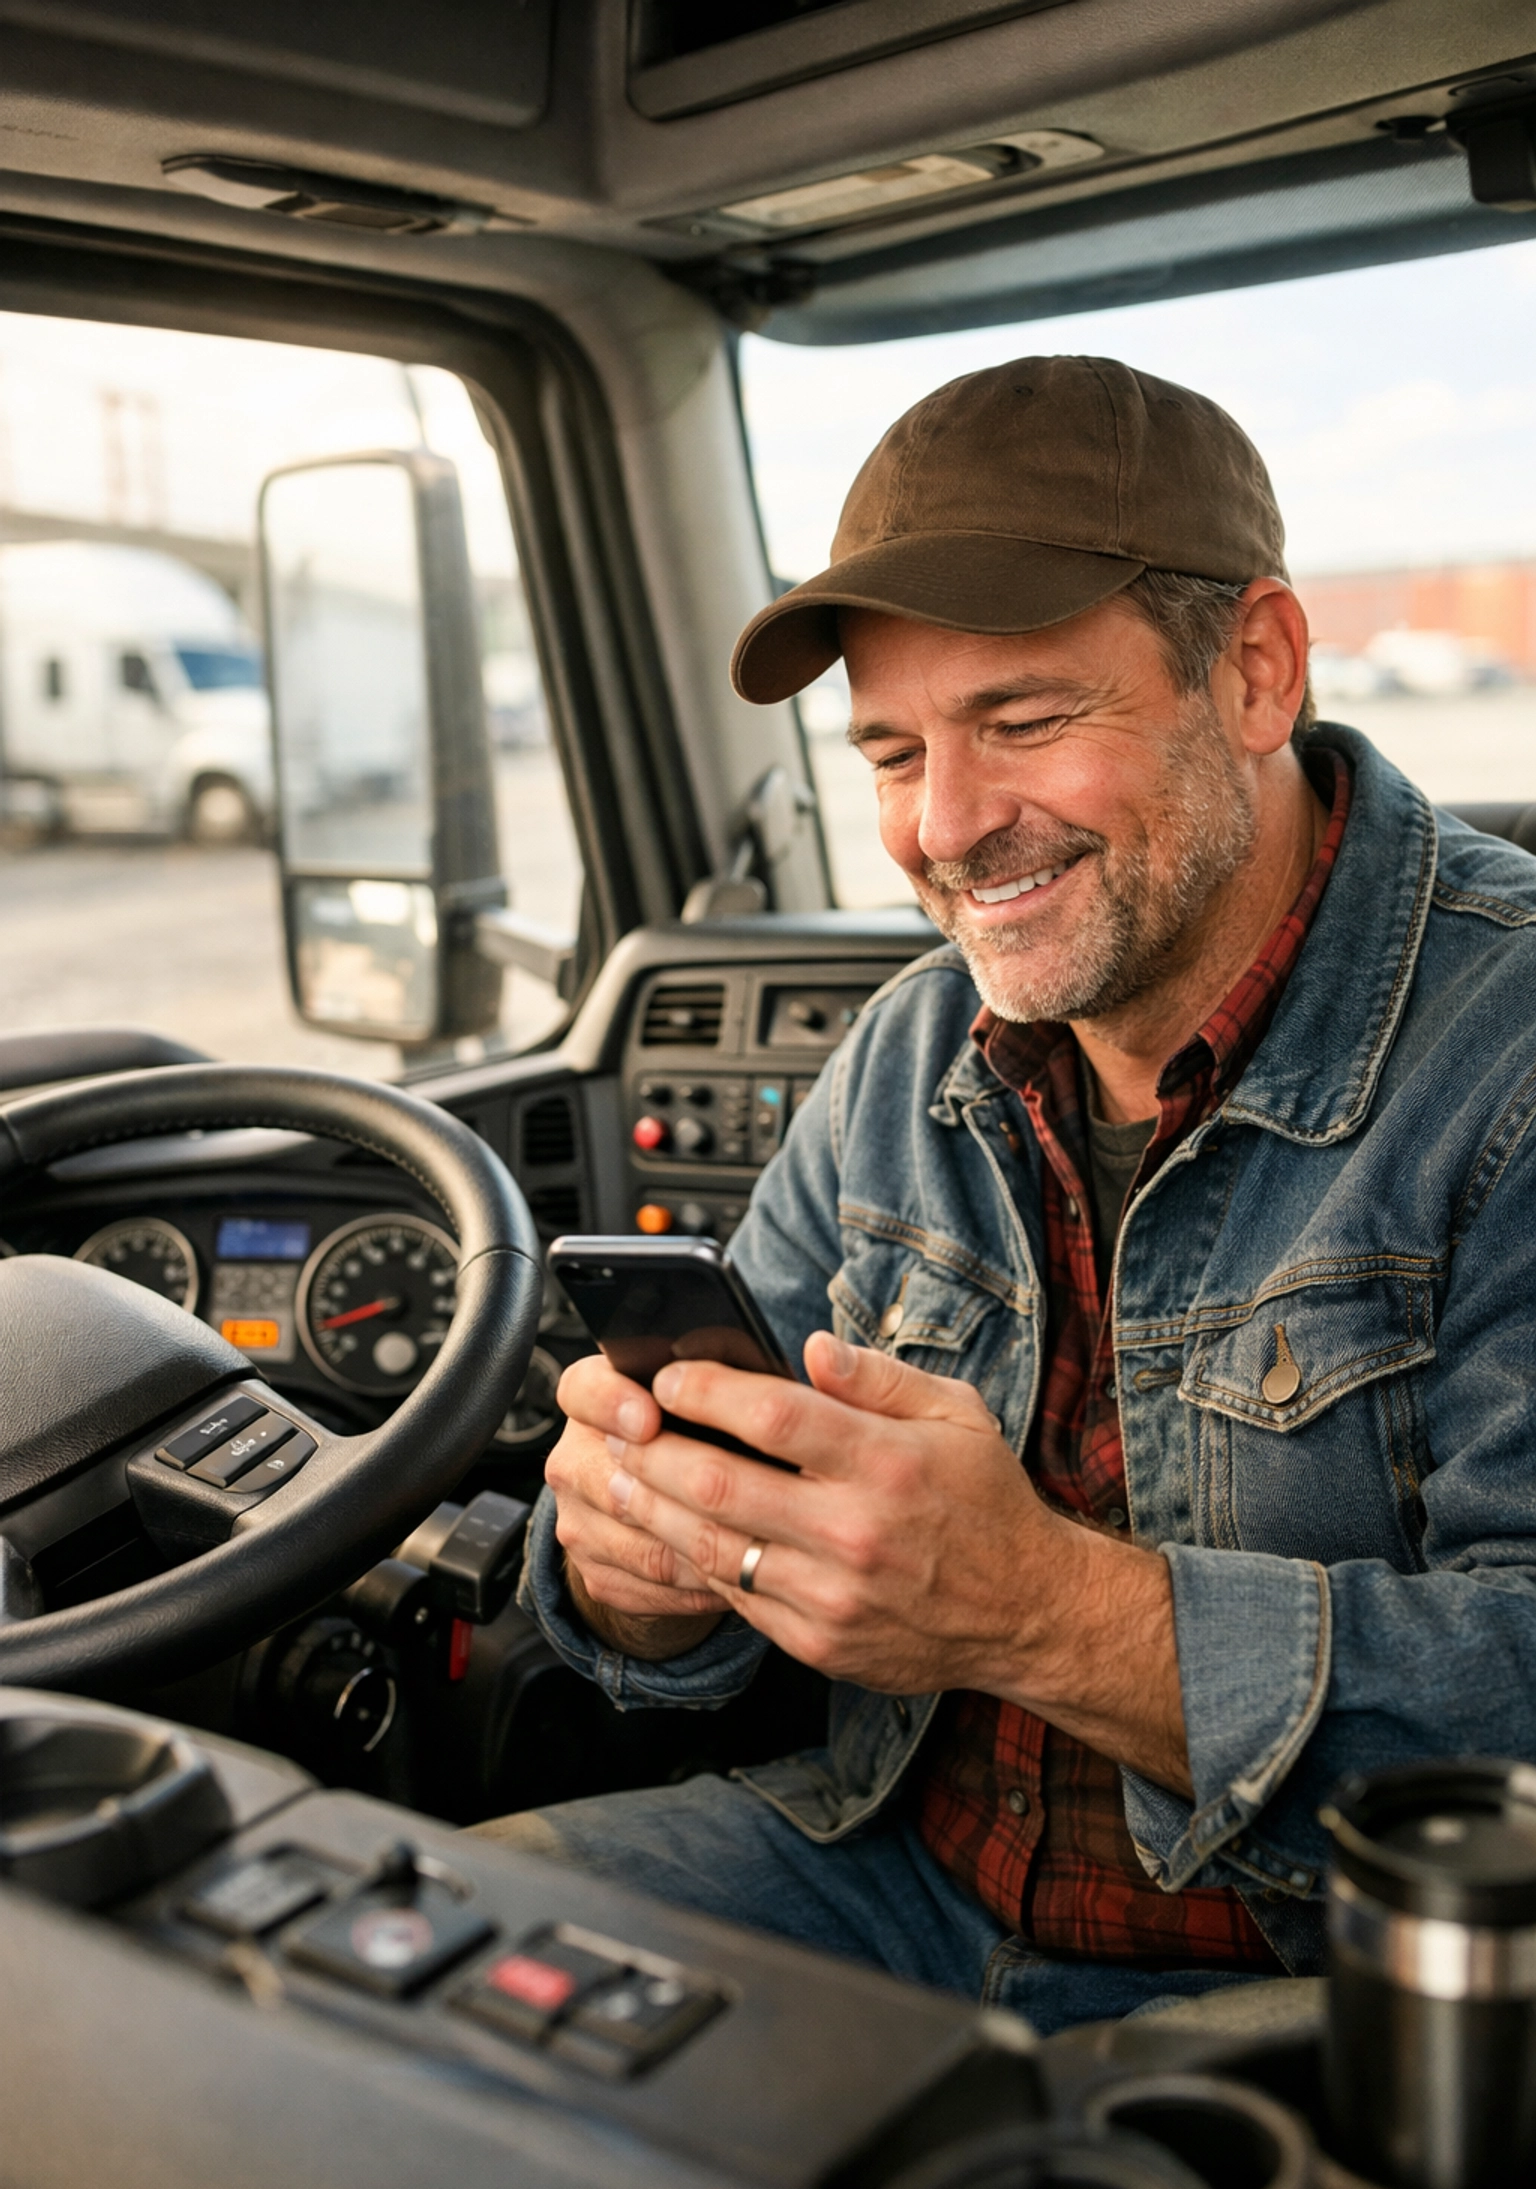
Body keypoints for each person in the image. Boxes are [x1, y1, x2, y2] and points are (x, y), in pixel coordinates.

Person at [478, 355, 1536, 2034]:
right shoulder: (908, 1052)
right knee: (384, 1986)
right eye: (893, 752)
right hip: (878, 1867)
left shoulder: (1510, 1057)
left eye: (1025, 723)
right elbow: (693, 1625)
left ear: (1256, 671)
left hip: (1336, 1977)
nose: (947, 828)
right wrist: (641, 1575)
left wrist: (1039, 1613)